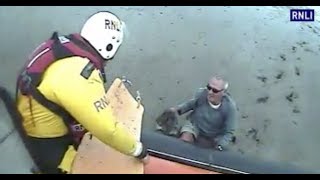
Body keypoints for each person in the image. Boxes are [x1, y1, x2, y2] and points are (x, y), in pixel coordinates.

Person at [15, 11, 149, 174]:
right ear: (109, 47)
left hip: (29, 123)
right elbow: (107, 130)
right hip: (45, 145)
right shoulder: (82, 75)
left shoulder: (66, 50)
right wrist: (138, 150)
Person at [169, 76, 237, 151]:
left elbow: (228, 131)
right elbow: (191, 104)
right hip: (194, 126)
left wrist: (221, 145)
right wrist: (178, 110)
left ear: (223, 92)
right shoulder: (202, 93)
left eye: (215, 90)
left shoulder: (230, 108)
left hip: (213, 136)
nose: (210, 92)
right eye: (209, 87)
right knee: (184, 144)